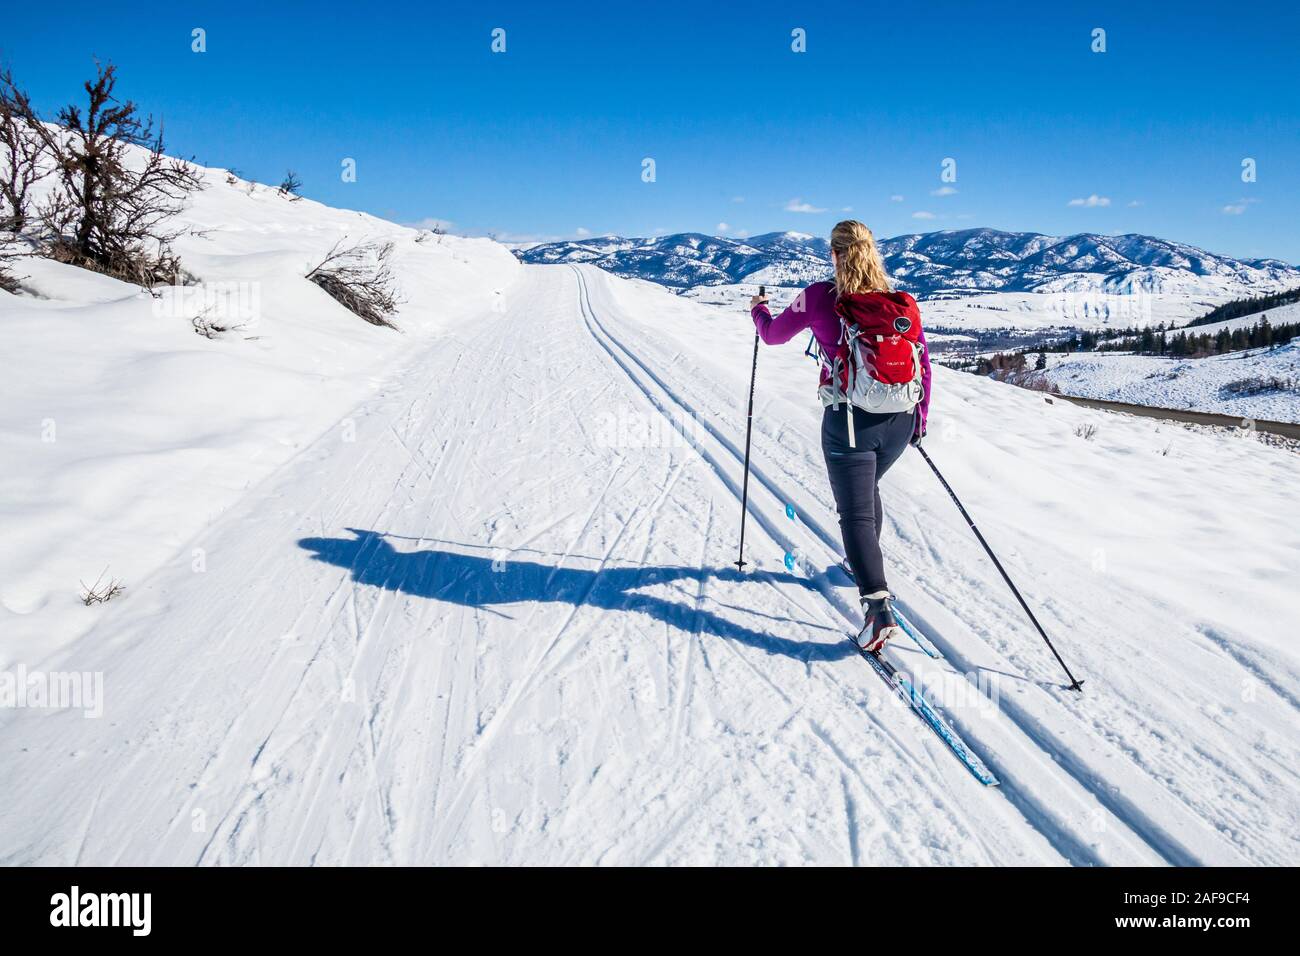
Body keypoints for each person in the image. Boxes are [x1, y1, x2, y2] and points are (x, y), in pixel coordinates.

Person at [750, 220, 931, 652]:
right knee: (866, 493)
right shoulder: (901, 304)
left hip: (849, 422)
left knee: (855, 514)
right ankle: (861, 564)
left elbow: (772, 335)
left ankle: (876, 609)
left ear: (834, 254)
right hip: (899, 420)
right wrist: (919, 419)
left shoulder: (818, 297)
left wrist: (758, 310)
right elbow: (924, 363)